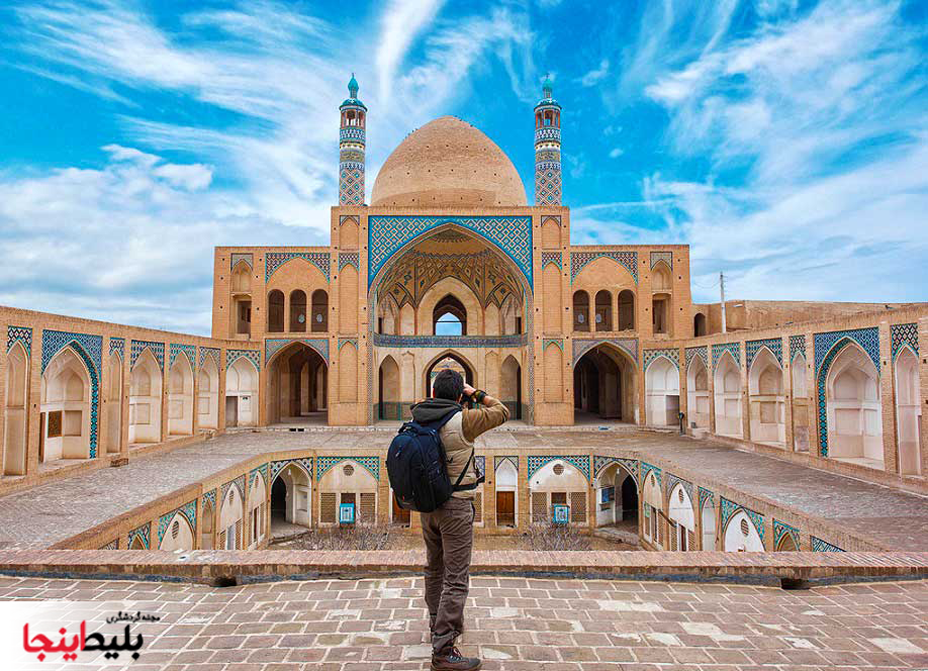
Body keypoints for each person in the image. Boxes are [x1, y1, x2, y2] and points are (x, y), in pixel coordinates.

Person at [410, 369, 510, 671]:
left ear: (432, 392)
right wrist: (475, 393)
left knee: (434, 569)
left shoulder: (418, 418)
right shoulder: (465, 421)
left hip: (427, 508)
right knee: (456, 577)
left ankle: (436, 626)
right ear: (458, 395)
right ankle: (443, 649)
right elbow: (501, 411)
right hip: (456, 508)